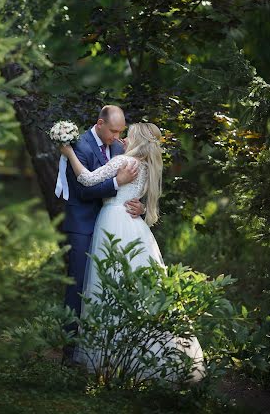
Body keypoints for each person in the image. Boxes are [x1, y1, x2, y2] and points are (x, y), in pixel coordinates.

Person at [60, 121, 206, 383]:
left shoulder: (123, 162)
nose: (123, 138)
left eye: (128, 135)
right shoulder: (149, 167)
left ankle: (106, 356)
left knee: (108, 282)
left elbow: (87, 179)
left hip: (113, 223)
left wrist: (69, 153)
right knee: (139, 285)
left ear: (136, 139)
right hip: (136, 228)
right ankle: (147, 352)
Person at [61, 105, 146, 362]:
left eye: (121, 131)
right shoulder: (80, 146)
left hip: (112, 226)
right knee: (78, 286)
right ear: (100, 123)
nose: (117, 137)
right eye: (113, 131)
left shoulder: (120, 149)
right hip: (84, 226)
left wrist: (140, 207)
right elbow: (84, 190)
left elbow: (133, 189)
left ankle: (104, 350)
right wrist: (116, 183)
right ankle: (70, 352)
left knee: (108, 285)